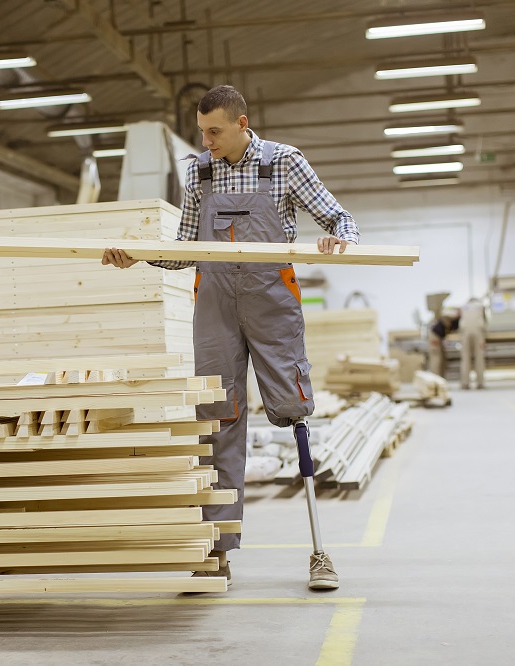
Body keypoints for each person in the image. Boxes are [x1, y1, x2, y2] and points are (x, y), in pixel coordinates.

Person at [101, 85, 359, 591]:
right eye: (202, 132)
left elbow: (339, 218)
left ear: (243, 124)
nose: (206, 141)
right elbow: (186, 250)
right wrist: (140, 254)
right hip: (216, 303)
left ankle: (319, 552)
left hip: (271, 300)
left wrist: (338, 239)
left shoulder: (285, 163)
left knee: (292, 407)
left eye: (214, 131)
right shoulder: (199, 172)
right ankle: (216, 550)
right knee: (217, 417)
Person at [458, 297, 487, 389]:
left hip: (465, 332)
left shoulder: (464, 306)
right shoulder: (480, 306)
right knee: (479, 358)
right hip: (478, 331)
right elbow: (485, 320)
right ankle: (480, 383)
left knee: (465, 358)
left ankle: (465, 383)